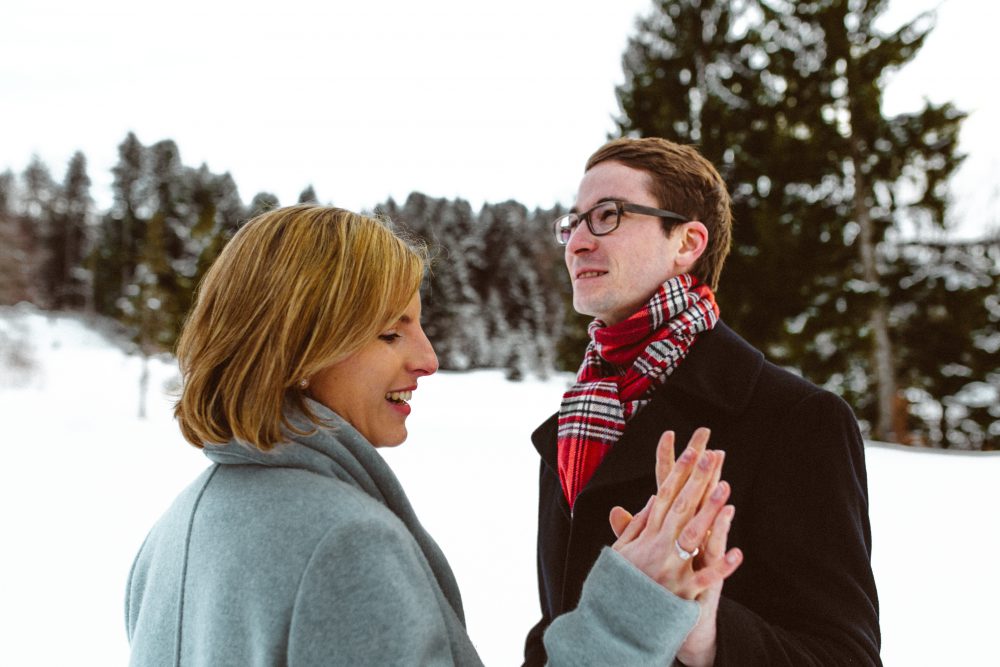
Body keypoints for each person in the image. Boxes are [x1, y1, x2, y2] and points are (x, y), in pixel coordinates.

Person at [125, 204, 743, 666]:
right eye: (391, 333)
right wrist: (628, 611)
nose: (428, 358)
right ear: (300, 348)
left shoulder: (175, 532)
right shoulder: (344, 547)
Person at [523, 138, 881, 666]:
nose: (576, 242)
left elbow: (845, 656)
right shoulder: (573, 428)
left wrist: (706, 635)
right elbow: (561, 621)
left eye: (607, 216)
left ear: (687, 241)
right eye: (572, 222)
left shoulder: (795, 420)